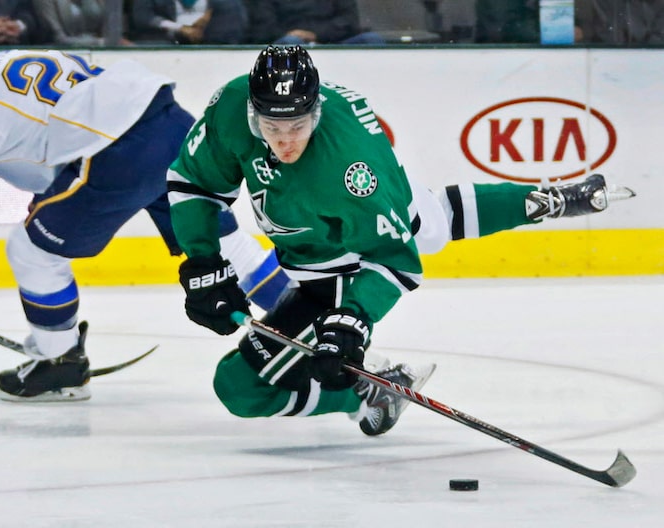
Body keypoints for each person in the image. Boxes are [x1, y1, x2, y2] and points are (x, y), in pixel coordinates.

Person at [167, 45, 632, 436]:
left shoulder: (350, 173)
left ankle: (371, 393)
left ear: (317, 111)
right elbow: (193, 184)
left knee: (240, 387)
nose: (286, 142)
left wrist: (354, 318)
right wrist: (203, 258)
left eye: (298, 127)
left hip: (342, 255)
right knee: (432, 218)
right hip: (341, 219)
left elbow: (396, 260)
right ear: (252, 112)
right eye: (272, 128)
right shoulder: (231, 107)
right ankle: (548, 198)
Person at [0, 20, 282, 402]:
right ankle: (304, 317)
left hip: (118, 150)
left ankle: (59, 363)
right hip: (167, 121)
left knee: (33, 251)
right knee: (224, 246)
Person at [245, 0, 386, 45]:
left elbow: (349, 21)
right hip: (287, 40)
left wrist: (315, 34)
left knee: (371, 40)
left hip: (332, 41)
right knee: (291, 43)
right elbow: (264, 27)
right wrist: (295, 34)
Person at [127, 0, 246, 45]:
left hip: (211, 40)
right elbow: (143, 18)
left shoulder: (227, 4)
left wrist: (208, 21)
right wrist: (179, 28)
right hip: (164, 41)